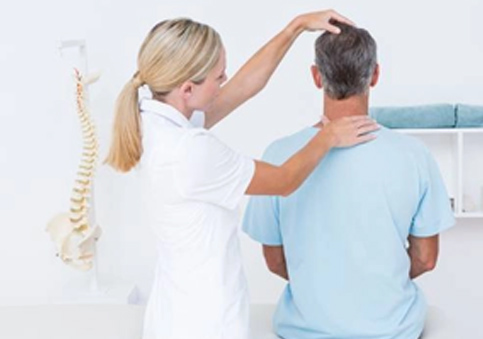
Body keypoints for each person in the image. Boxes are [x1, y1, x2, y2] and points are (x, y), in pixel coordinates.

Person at [105, 11, 379, 339]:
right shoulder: (190, 152)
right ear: (188, 89)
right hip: (206, 323)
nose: (225, 82)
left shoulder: (153, 122)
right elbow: (284, 180)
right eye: (218, 77)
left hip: (172, 314)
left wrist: (295, 27)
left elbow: (243, 88)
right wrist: (329, 135)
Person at [243, 22, 455, 339]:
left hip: (303, 331)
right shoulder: (414, 156)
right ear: (375, 75)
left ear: (316, 76)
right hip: (392, 331)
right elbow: (425, 258)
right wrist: (376, 284)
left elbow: (274, 260)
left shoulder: (278, 155)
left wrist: (324, 290)